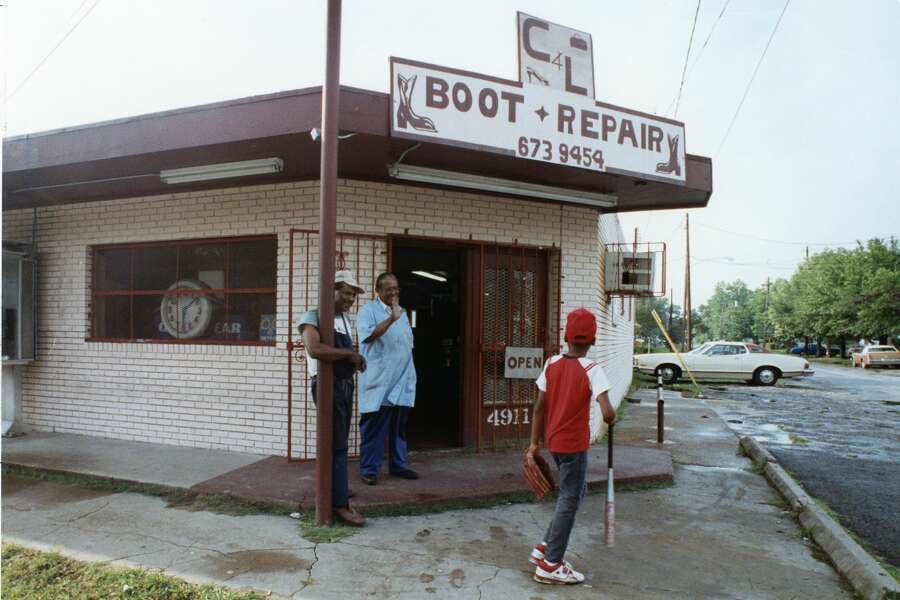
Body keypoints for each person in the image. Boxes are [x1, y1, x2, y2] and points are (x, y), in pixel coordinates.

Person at [524, 307, 616, 585]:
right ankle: (551, 564)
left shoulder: (551, 364)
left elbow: (539, 406)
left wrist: (533, 445)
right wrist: (611, 418)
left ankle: (544, 547)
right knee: (570, 497)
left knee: (575, 493)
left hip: (554, 443)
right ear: (593, 340)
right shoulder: (592, 369)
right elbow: (608, 412)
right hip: (574, 445)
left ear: (566, 335)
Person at [299, 270, 367, 527]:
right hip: (328, 387)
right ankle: (340, 504)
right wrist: (349, 356)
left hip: (344, 386)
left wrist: (355, 359)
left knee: (339, 443)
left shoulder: (344, 319)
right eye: (347, 292)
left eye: (353, 294)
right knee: (337, 446)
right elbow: (315, 349)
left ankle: (337, 487)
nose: (351, 298)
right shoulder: (313, 315)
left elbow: (342, 352)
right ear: (332, 291)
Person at [356, 272, 418, 485]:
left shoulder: (402, 312)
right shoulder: (367, 311)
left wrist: (396, 315)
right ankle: (369, 470)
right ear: (378, 290)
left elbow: (406, 343)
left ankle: (398, 466)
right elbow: (368, 336)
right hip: (380, 381)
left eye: (396, 288)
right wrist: (391, 318)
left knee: (398, 427)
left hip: (402, 379)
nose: (394, 292)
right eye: (389, 289)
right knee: (374, 427)